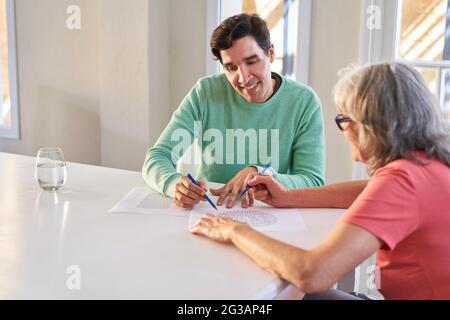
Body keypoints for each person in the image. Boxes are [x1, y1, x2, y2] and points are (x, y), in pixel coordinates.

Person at [191, 63, 450, 300]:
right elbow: (368, 191)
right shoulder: (428, 164)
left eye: (344, 120)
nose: (344, 130)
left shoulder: (402, 181)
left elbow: (311, 274)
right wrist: (289, 197)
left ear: (371, 127)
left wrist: (234, 230)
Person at [142, 14, 325, 210]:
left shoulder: (303, 101)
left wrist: (263, 174)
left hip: (269, 214)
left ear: (270, 53)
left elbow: (312, 180)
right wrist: (173, 185)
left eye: (252, 61)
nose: (244, 78)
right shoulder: (205, 93)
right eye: (231, 68)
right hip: (211, 212)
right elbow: (158, 157)